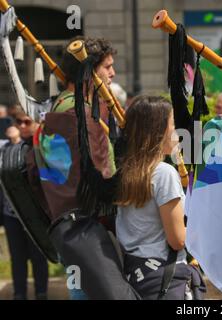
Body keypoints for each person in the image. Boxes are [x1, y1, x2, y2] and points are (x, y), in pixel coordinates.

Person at [29, 36, 138, 300]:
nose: (112, 73)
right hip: (89, 227)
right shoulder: (80, 115)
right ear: (90, 72)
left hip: (68, 227)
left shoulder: (60, 107)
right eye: (107, 67)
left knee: (81, 290)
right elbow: (104, 179)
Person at [115, 96, 204, 300]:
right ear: (158, 132)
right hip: (165, 277)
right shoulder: (164, 173)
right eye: (172, 125)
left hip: (135, 276)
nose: (176, 133)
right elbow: (177, 239)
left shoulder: (126, 171)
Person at [1, 115, 48, 300]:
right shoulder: (5, 149)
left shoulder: (38, 147)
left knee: (39, 255)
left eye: (26, 122)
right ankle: (19, 293)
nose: (21, 125)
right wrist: (13, 141)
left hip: (34, 215)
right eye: (18, 122)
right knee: (17, 258)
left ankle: (41, 292)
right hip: (11, 215)